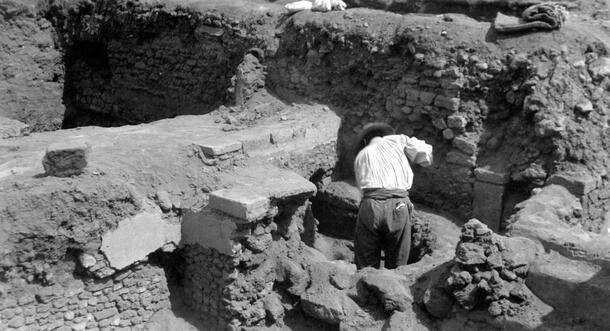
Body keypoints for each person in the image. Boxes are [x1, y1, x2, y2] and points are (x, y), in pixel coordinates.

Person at [353, 124, 433, 269]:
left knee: (365, 261)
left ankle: (364, 286)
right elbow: (426, 154)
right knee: (397, 259)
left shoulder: (361, 155)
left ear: (365, 142)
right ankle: (393, 282)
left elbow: (362, 190)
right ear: (385, 135)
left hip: (370, 204)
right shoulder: (397, 140)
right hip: (398, 204)